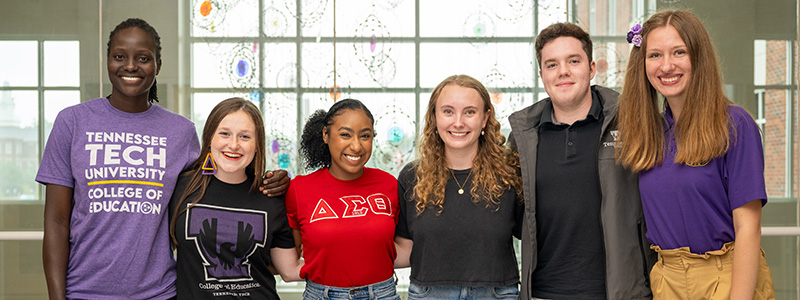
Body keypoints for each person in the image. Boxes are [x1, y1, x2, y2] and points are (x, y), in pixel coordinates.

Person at [36, 18, 288, 300]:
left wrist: (267, 182)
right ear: (107, 60)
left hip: (160, 293)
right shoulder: (72, 122)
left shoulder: (181, 132)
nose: (130, 66)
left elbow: (217, 188)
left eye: (143, 58)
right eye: (120, 56)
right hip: (84, 291)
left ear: (158, 64)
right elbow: (56, 222)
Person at [616, 10, 775, 299]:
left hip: (726, 277)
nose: (666, 66)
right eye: (654, 55)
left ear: (698, 58)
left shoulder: (734, 125)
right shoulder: (648, 133)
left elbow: (748, 228)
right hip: (666, 279)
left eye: (679, 52)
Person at [507, 22, 656, 299]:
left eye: (573, 61)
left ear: (591, 68)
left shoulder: (633, 122)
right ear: (542, 75)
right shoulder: (522, 138)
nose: (563, 71)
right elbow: (512, 217)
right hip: (544, 293)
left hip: (621, 292)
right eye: (552, 65)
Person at [393, 75, 523, 299]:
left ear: (485, 118)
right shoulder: (412, 177)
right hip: (429, 294)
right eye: (448, 111)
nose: (458, 122)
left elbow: (535, 238)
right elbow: (405, 251)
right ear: (434, 117)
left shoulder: (509, 176)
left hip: (496, 294)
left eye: (470, 112)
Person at [169, 98, 303, 299]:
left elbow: (290, 270)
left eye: (245, 137)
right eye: (224, 134)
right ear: (210, 138)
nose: (233, 145)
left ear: (257, 145)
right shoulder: (180, 188)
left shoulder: (271, 196)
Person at [286, 99, 400, 300]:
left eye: (365, 136)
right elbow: (294, 252)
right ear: (326, 135)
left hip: (382, 294)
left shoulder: (389, 184)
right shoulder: (299, 188)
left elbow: (399, 245)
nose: (356, 146)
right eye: (345, 135)